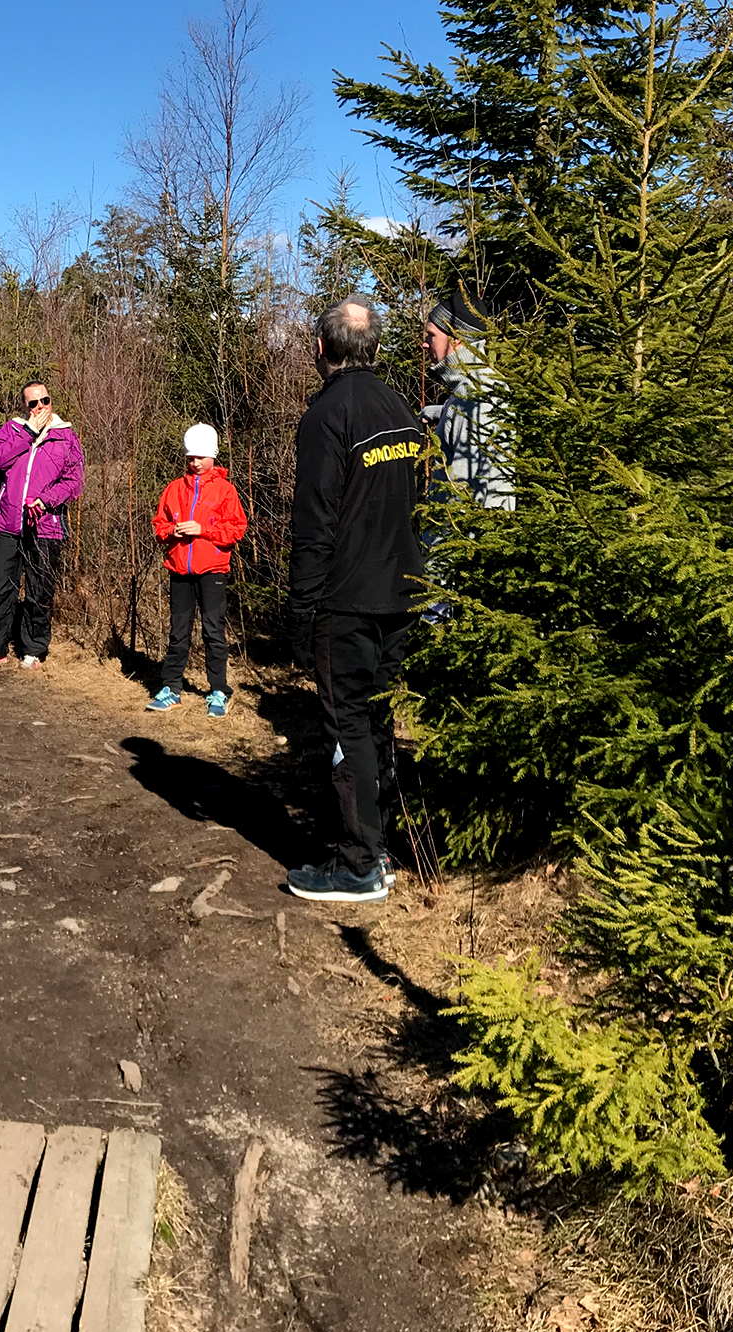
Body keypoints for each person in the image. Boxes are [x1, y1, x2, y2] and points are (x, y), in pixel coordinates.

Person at [285, 299, 428, 903]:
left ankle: (357, 864)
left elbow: (314, 525)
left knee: (349, 727)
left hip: (347, 600)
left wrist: (300, 611)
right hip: (403, 592)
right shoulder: (401, 409)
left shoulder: (327, 417)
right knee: (374, 723)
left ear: (322, 349)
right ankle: (379, 847)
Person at [0, 380, 86, 668]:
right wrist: (29, 432)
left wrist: (46, 501)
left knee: (39, 590)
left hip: (45, 526)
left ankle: (33, 649)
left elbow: (75, 481)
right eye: (33, 403)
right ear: (25, 406)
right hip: (6, 523)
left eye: (44, 400)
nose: (40, 407)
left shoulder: (66, 437)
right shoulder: (12, 430)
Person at [146, 423, 247, 717]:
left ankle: (218, 691)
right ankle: (171, 688)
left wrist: (203, 530)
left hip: (212, 570)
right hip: (179, 570)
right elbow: (159, 525)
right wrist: (170, 533)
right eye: (191, 457)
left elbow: (236, 528)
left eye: (201, 456)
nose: (195, 462)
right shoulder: (174, 489)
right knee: (178, 633)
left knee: (213, 632)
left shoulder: (226, 491)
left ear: (213, 455)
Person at [423, 290, 514, 510]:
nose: (425, 344)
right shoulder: (472, 390)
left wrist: (440, 540)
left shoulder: (475, 397)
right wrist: (440, 412)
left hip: (461, 538)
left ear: (457, 340)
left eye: (431, 336)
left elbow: (468, 488)